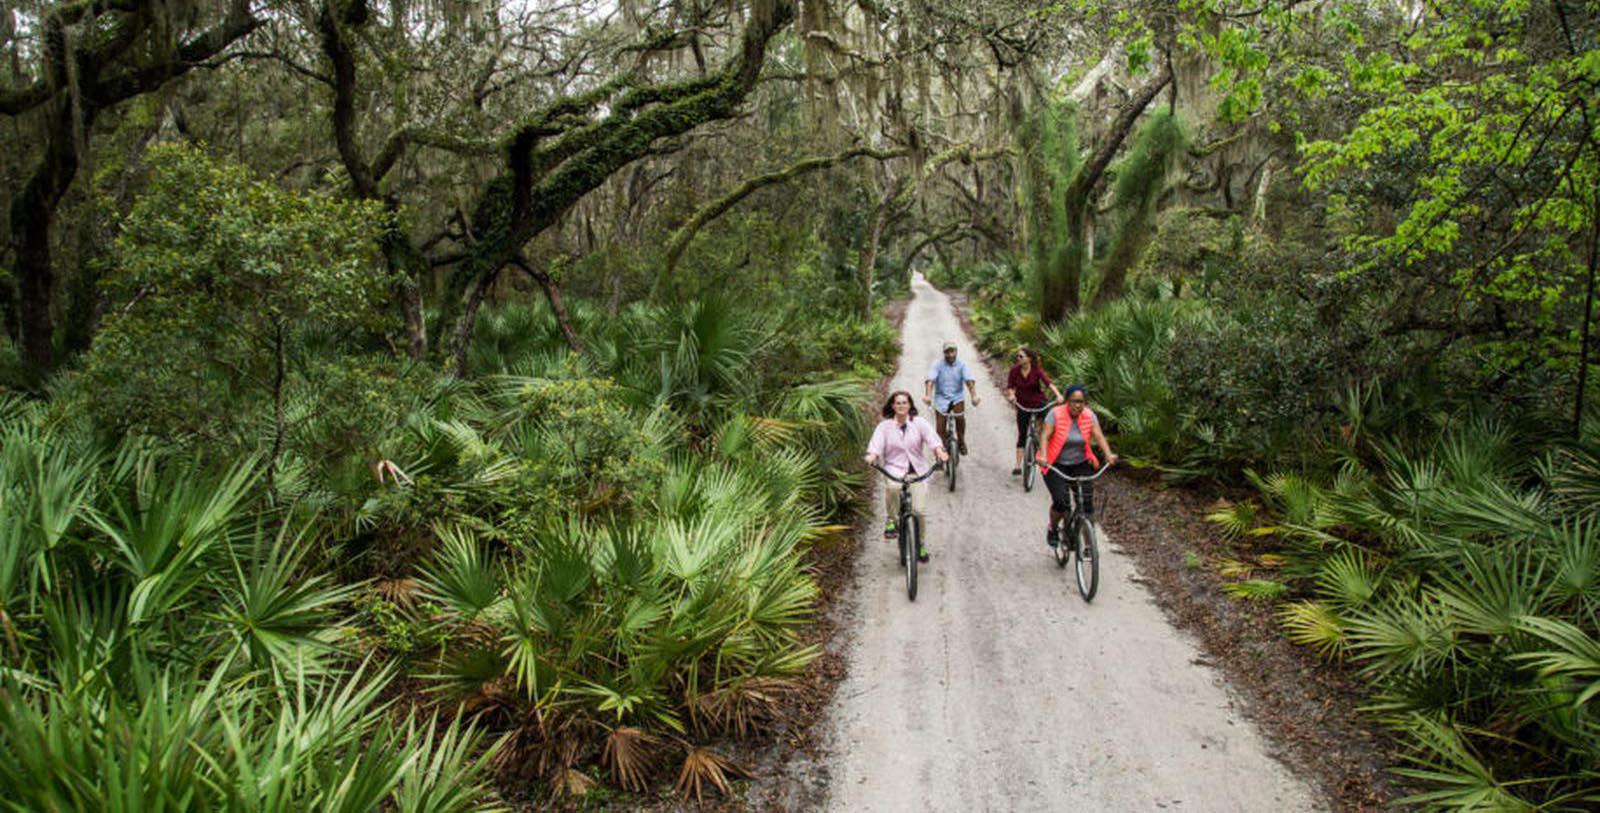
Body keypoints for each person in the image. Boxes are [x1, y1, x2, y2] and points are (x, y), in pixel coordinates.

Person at [864, 390, 949, 562]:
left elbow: (932, 440)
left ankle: (921, 545)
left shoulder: (919, 423)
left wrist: (940, 452)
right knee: (893, 488)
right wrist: (872, 456)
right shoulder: (885, 426)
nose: (901, 405)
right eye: (898, 403)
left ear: (910, 405)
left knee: (919, 511)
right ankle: (892, 520)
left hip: (916, 472)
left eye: (905, 402)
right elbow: (876, 446)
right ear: (892, 406)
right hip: (895, 470)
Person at [1036, 384, 1117, 548]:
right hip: (1055, 464)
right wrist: (1043, 456)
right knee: (1060, 502)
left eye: (1081, 402)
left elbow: (1099, 436)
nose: (1078, 405)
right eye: (1074, 401)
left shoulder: (1089, 416)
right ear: (1067, 401)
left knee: (1086, 505)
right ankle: (1053, 528)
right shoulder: (1055, 414)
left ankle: (1089, 545)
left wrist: (1108, 454)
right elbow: (1045, 436)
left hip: (1079, 463)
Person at [1004, 346, 1065, 476]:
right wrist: (1012, 395)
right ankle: (1017, 465)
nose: (1018, 358)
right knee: (1022, 434)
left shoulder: (1037, 370)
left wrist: (1059, 395)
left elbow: (1049, 383)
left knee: (1049, 423)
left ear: (1029, 359)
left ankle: (1045, 447)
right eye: (1017, 356)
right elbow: (1010, 386)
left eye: (1021, 356)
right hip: (1022, 405)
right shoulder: (1014, 371)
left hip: (1039, 403)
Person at [924, 340, 980, 456]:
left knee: (960, 418)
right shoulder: (937, 364)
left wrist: (974, 396)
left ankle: (961, 441)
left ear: (956, 351)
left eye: (952, 352)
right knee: (940, 428)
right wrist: (928, 396)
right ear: (944, 353)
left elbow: (969, 381)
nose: (950, 355)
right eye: (947, 352)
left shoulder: (962, 365)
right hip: (941, 398)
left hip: (957, 397)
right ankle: (940, 454)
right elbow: (930, 381)